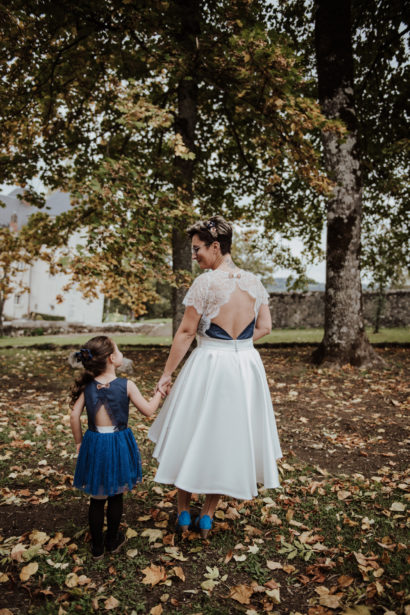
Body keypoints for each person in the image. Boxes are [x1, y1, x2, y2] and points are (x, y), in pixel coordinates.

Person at [149, 216, 282, 538]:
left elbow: (185, 331)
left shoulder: (205, 283)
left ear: (216, 246)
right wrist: (241, 346)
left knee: (190, 431)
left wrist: (167, 375)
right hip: (245, 366)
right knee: (228, 436)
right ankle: (207, 516)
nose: (194, 255)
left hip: (209, 363)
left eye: (197, 249)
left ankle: (183, 512)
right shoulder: (254, 282)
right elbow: (265, 327)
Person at [70, 335, 165, 558]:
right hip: (118, 443)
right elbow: (149, 411)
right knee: (115, 496)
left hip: (94, 443)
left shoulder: (88, 387)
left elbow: (74, 415)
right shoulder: (126, 385)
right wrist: (160, 393)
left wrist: (78, 442)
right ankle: (112, 541)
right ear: (113, 359)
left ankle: (97, 548)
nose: (122, 353)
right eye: (119, 350)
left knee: (96, 497)